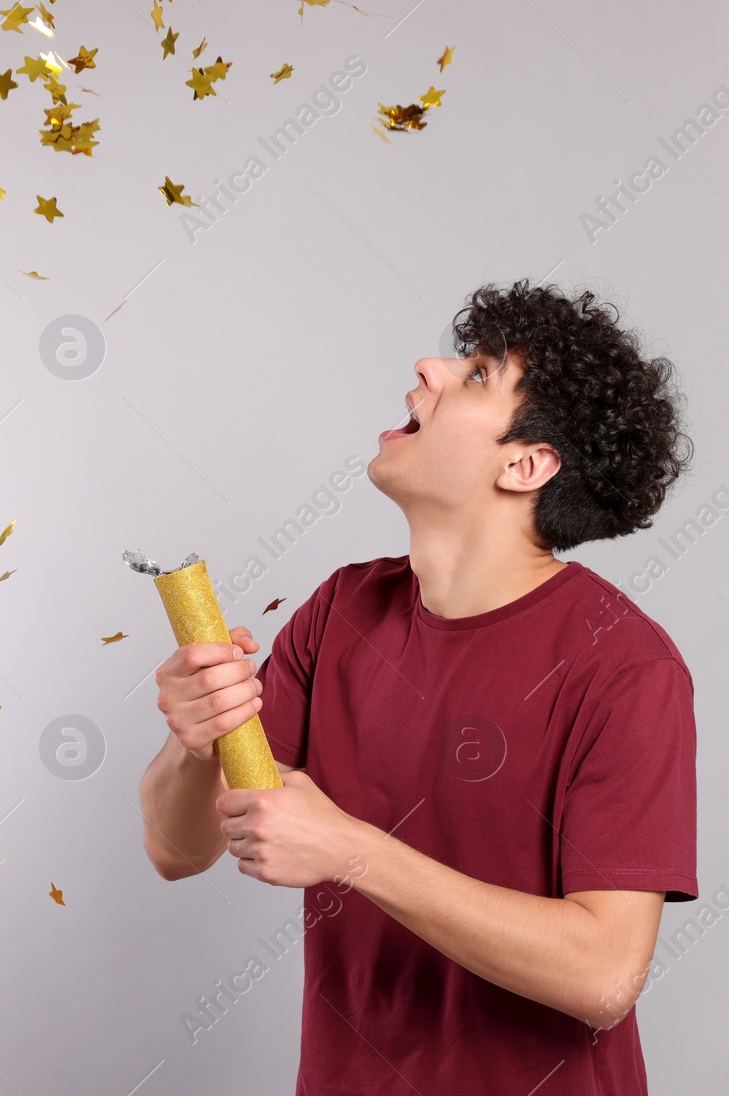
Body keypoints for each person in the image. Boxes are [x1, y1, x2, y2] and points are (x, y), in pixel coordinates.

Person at [140, 278, 698, 1094]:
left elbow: (604, 975)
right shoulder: (341, 611)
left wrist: (353, 851)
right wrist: (197, 740)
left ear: (528, 464)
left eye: (477, 375)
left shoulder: (627, 669)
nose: (427, 368)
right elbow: (175, 849)